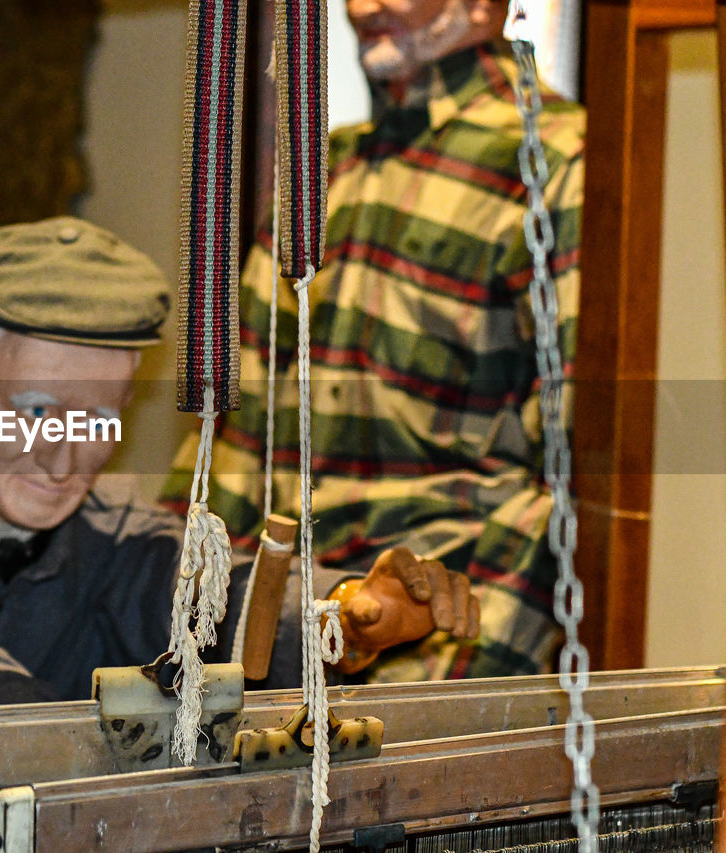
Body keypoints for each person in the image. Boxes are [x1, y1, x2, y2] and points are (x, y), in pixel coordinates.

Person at [0, 216, 480, 810]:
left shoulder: (116, 534)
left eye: (98, 421)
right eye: (37, 412)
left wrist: (350, 619)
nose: (65, 460)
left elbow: (226, 603)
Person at [161, 0, 585, 683]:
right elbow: (240, 433)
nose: (362, 7)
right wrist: (176, 621)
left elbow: (568, 474)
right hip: (288, 639)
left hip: (431, 648)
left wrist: (460, 688)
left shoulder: (554, 162)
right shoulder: (323, 166)